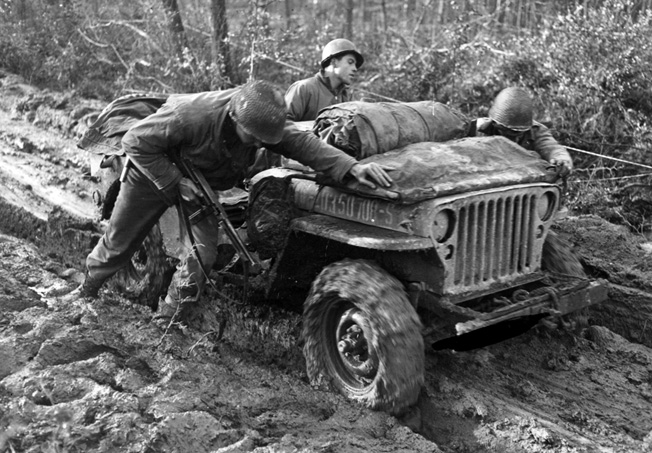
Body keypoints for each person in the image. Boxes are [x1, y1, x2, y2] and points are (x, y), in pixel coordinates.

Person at [64, 80, 392, 327]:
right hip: (150, 174)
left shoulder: (266, 121)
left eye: (266, 139)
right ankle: (87, 289)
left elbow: (305, 145)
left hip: (203, 184)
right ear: (235, 118)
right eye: (254, 139)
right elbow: (135, 141)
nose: (260, 144)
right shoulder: (190, 116)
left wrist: (351, 167)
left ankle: (167, 320)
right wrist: (176, 182)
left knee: (202, 255)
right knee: (121, 240)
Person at [467, 87, 573, 177]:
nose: (510, 137)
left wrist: (561, 159)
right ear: (495, 123)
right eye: (505, 131)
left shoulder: (537, 131)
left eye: (516, 133)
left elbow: (551, 147)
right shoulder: (478, 128)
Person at [285, 38, 364, 121]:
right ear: (334, 62)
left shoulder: (346, 98)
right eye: (350, 62)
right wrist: (309, 133)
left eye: (355, 65)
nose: (355, 68)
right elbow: (282, 125)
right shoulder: (304, 89)